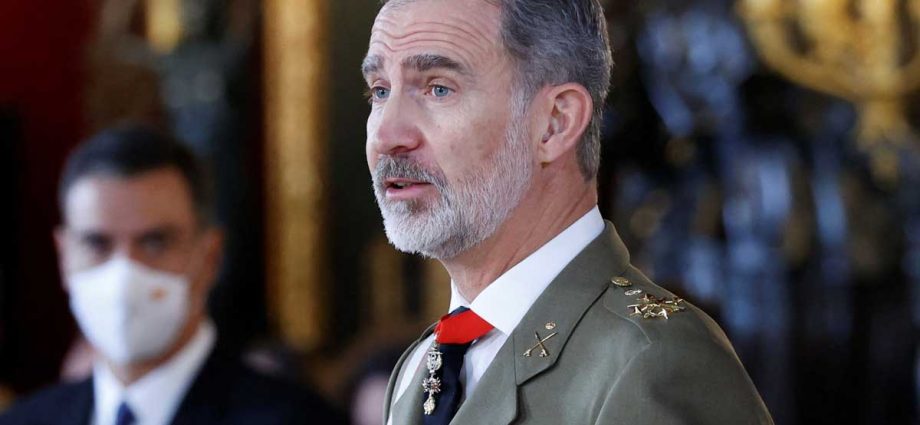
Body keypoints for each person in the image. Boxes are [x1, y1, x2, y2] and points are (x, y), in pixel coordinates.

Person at [361, 0, 775, 423]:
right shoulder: (420, 365)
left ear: (555, 122)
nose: (387, 136)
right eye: (380, 91)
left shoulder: (654, 361)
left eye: (438, 89)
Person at [0, 124, 344, 424]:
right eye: (97, 243)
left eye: (154, 242)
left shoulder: (296, 418)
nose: (124, 272)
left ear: (210, 257)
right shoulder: (23, 420)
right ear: (64, 256)